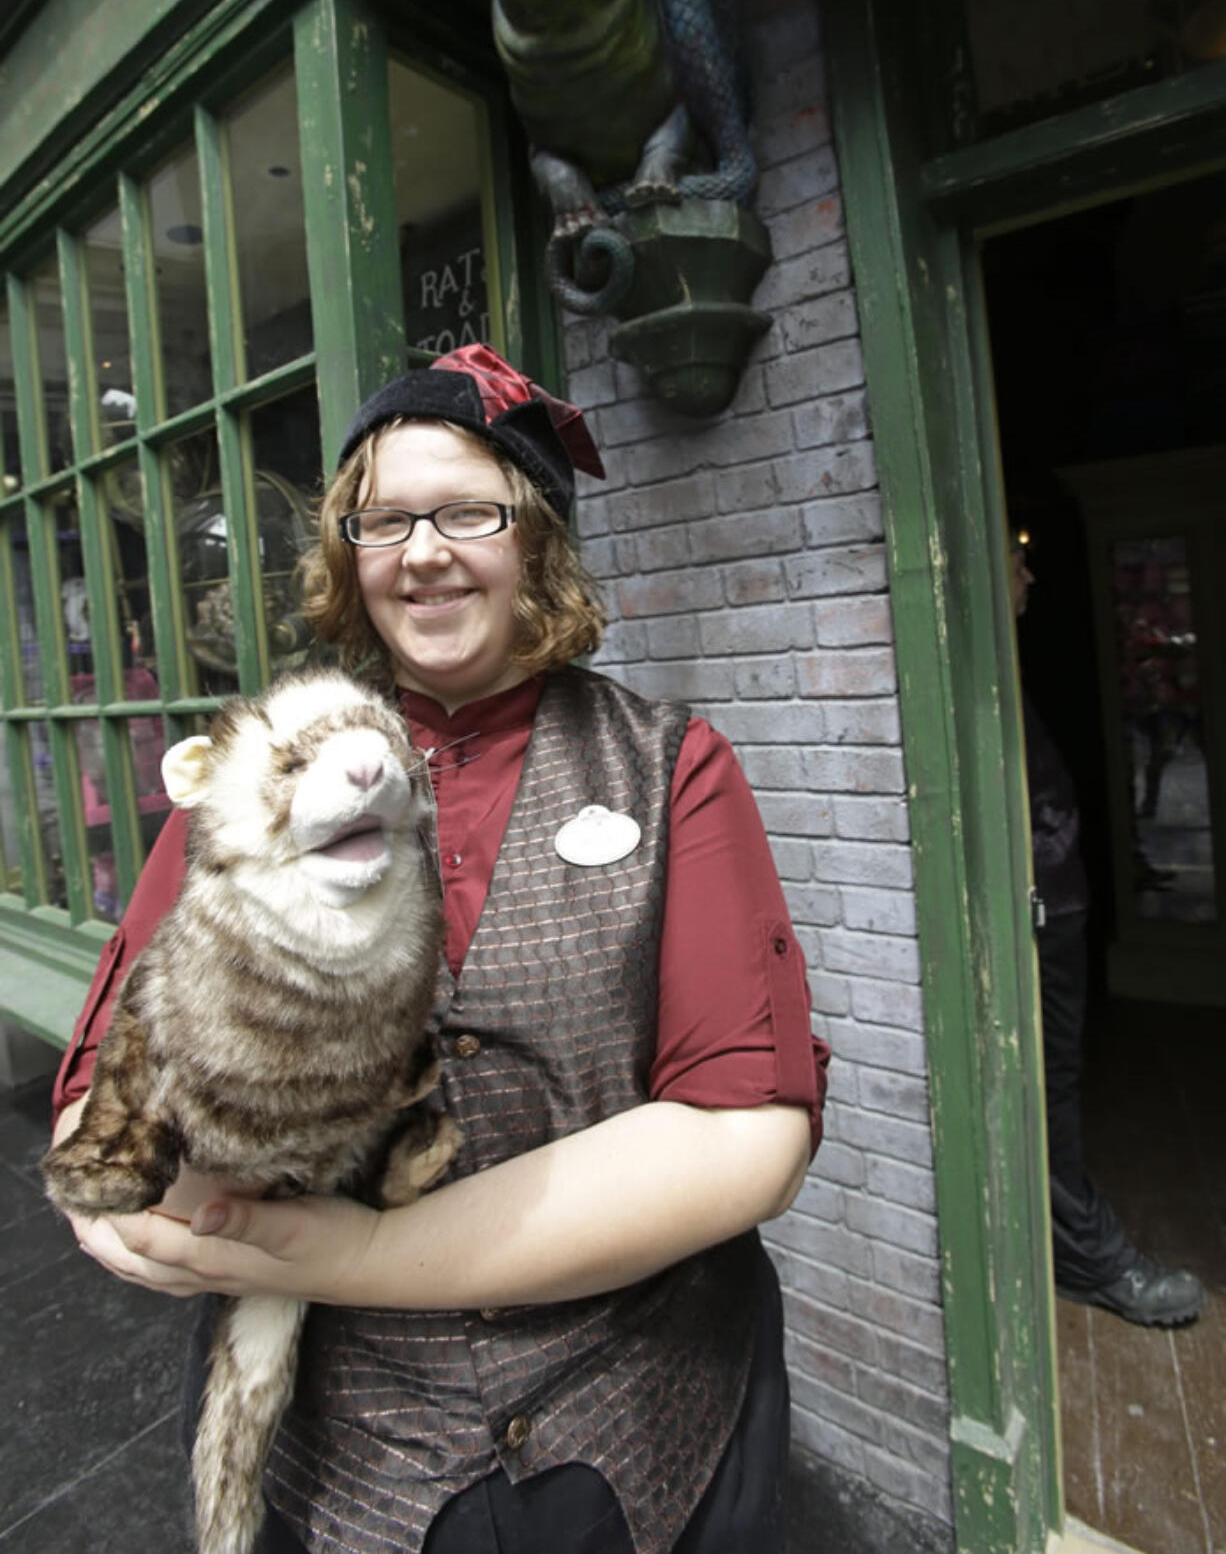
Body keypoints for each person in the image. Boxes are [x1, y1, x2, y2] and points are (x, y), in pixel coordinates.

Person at [49, 344, 829, 1554]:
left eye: (468, 510)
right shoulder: (267, 756)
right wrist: (141, 1208)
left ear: (536, 541)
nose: (422, 551)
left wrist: (363, 1252)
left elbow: (747, 1134)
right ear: (349, 552)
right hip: (340, 1454)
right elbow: (110, 1072)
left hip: (625, 1423)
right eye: (384, 518)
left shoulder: (672, 763)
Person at [1011, 532, 1203, 1327]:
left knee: (1061, 1078)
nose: (1029, 568)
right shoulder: (978, 669)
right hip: (1039, 907)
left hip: (1056, 900)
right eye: (1014, 556)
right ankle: (1088, 1259)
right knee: (1050, 1087)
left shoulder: (1005, 659)